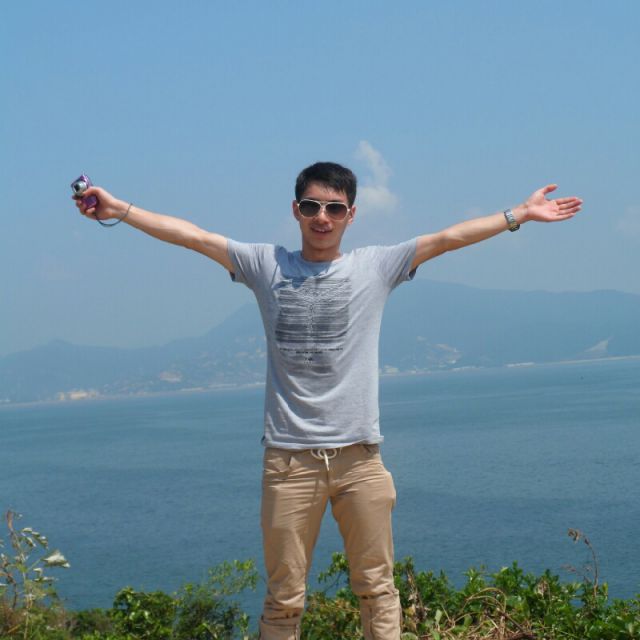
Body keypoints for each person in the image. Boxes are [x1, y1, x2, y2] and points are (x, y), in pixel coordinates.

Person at [73, 162, 582, 639]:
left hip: (360, 460)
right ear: (296, 210)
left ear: (350, 215)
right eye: (312, 206)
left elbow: (447, 238)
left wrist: (520, 214)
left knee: (377, 589)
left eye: (335, 208)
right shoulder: (265, 265)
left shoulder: (375, 267)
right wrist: (120, 210)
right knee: (283, 599)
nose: (323, 217)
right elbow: (192, 236)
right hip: (289, 464)